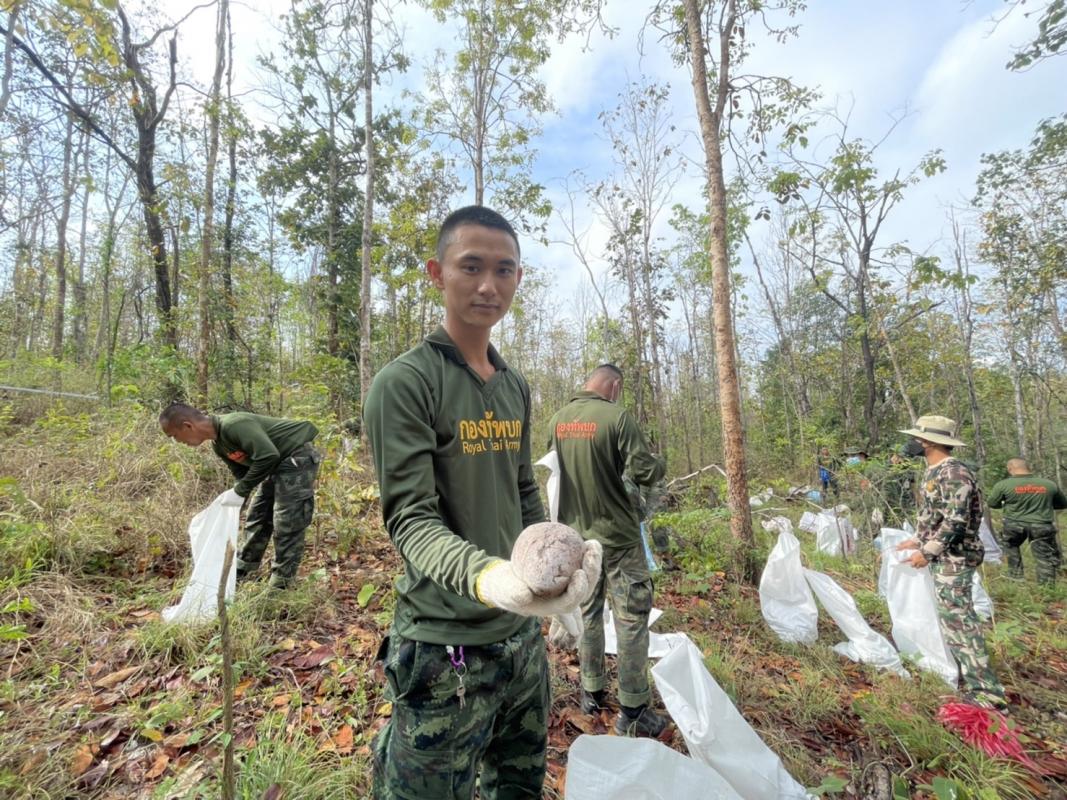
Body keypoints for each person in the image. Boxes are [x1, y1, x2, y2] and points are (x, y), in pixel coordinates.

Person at [363, 205, 601, 799]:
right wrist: (488, 577)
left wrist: (552, 563)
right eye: (471, 267)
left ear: (519, 279)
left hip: (520, 642)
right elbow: (410, 519)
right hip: (445, 645)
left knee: (518, 786)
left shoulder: (514, 385)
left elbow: (522, 487)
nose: (488, 285)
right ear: (436, 274)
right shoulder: (407, 382)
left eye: (504, 269)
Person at [548, 364, 669, 737]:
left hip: (578, 539)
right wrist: (659, 463)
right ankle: (633, 710)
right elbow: (645, 471)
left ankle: (591, 691)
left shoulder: (559, 420)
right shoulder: (617, 418)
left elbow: (553, 475)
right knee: (631, 619)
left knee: (589, 614)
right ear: (614, 385)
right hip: (617, 538)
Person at [895, 415, 1006, 710]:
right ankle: (968, 675)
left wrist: (928, 551)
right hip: (943, 556)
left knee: (960, 622)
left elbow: (956, 520)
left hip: (954, 559)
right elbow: (935, 514)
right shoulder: (934, 471)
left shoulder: (954, 473)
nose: (915, 442)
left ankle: (987, 694)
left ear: (930, 441)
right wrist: (917, 540)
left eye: (919, 437)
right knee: (951, 619)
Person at [159, 403, 321, 589]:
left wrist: (240, 491)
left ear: (188, 426)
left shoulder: (235, 425)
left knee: (287, 520)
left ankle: (281, 584)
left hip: (295, 457)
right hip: (276, 464)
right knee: (257, 515)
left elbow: (267, 455)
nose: (178, 442)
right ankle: (243, 570)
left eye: (174, 436)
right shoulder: (219, 445)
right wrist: (233, 503)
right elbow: (242, 476)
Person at [987, 458, 1066, 584]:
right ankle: (1046, 586)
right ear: (1028, 468)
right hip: (1042, 525)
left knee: (1011, 546)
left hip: (1014, 525)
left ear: (1010, 468)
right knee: (1044, 556)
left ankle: (1016, 576)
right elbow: (1062, 504)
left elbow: (992, 504)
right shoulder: (1049, 484)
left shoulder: (1003, 485)